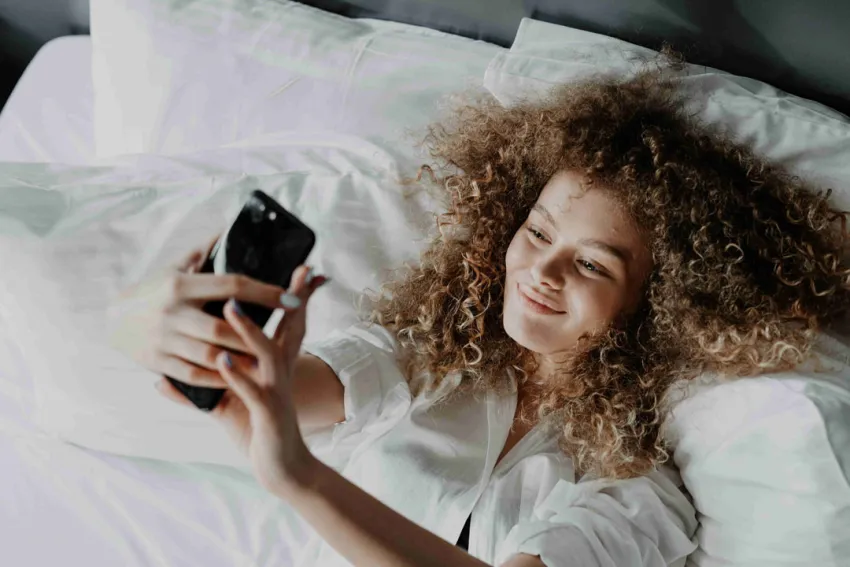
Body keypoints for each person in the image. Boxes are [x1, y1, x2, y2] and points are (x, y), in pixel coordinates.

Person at [107, 61, 850, 567]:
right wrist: (163, 329)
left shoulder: (637, 490)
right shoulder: (426, 359)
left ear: (654, 304)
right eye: (538, 233)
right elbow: (276, 392)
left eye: (594, 264)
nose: (544, 271)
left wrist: (298, 474)